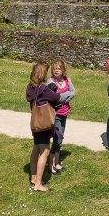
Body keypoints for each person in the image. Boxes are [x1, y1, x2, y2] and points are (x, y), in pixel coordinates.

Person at [25, 62, 61, 192]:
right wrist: (53, 88)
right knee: (45, 151)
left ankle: (33, 177)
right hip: (44, 124)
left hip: (35, 123)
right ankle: (38, 184)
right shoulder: (44, 89)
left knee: (36, 148)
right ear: (42, 74)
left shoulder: (30, 87)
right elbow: (56, 97)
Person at [47, 61, 76, 175]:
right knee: (57, 138)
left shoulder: (67, 80)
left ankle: (56, 162)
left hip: (64, 113)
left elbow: (73, 92)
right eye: (54, 68)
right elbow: (53, 98)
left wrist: (62, 97)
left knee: (60, 138)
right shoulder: (51, 82)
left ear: (63, 70)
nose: (56, 70)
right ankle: (51, 165)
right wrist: (64, 96)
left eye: (59, 68)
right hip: (56, 114)